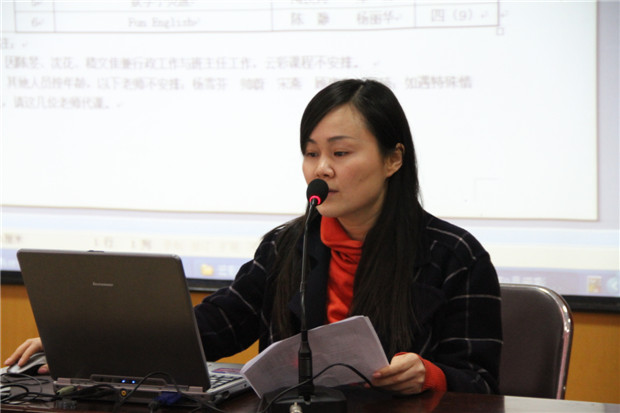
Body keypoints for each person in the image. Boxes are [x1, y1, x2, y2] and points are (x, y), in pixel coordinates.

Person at [5, 79, 502, 395]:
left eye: (340, 153)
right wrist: (88, 341)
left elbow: (482, 383)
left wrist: (429, 375)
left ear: (393, 159)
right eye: (311, 153)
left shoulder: (453, 255)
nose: (321, 169)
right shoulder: (286, 246)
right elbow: (216, 324)